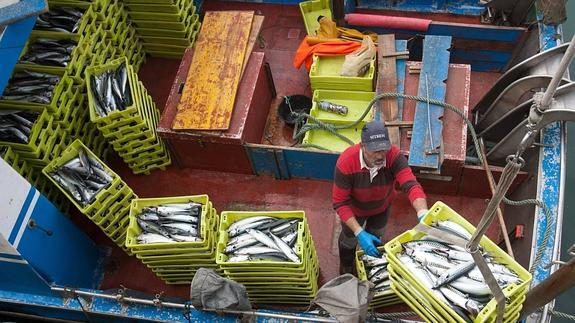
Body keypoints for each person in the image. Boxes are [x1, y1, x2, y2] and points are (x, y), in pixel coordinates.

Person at [332, 120, 429, 274]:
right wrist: (359, 232)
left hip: (381, 208)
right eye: (375, 151)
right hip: (354, 211)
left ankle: (370, 266)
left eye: (384, 149)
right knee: (349, 240)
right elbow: (340, 203)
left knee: (376, 235)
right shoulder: (346, 162)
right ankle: (346, 266)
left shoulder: (394, 156)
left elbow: (411, 185)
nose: (381, 155)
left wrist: (423, 212)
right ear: (362, 146)